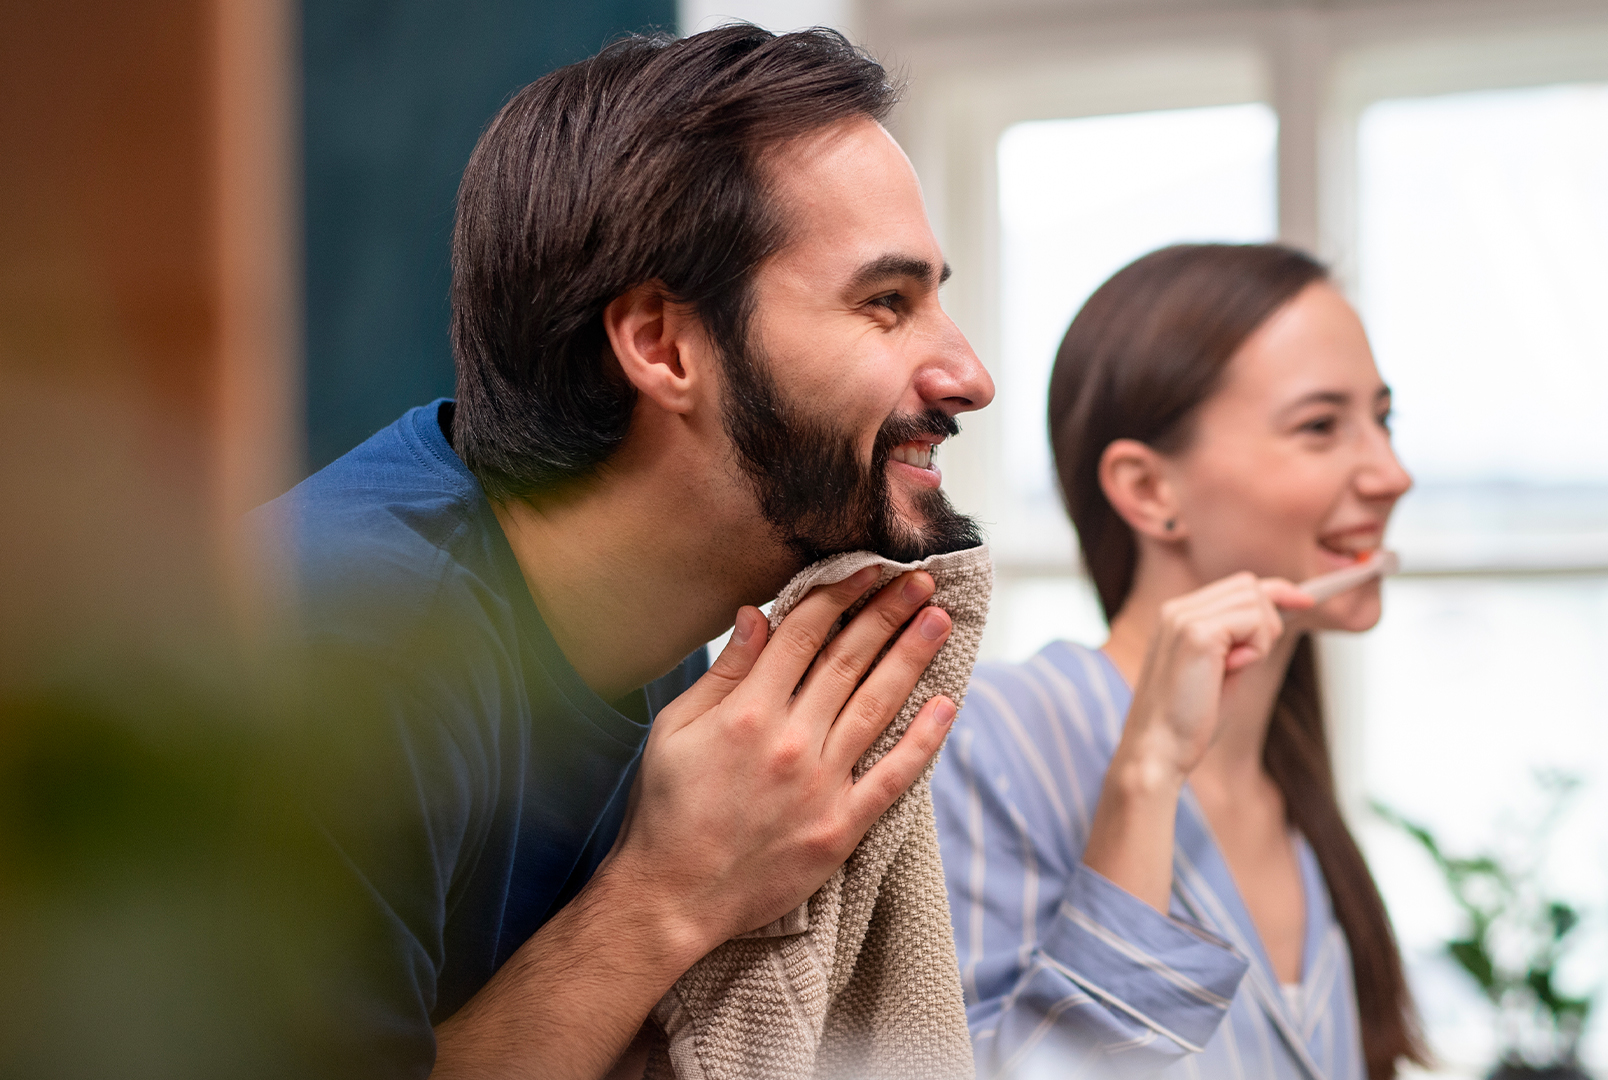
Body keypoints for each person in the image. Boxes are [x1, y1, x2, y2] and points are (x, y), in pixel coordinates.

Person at [258, 26, 993, 1079]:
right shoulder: (338, 640)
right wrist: (668, 892)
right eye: (887, 303)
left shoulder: (672, 635)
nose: (968, 374)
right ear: (660, 345)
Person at [932, 244, 1427, 1079]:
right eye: (1320, 427)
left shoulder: (1289, 787)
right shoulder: (985, 741)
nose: (1392, 474)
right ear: (1149, 490)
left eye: (1383, 419)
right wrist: (1148, 777)